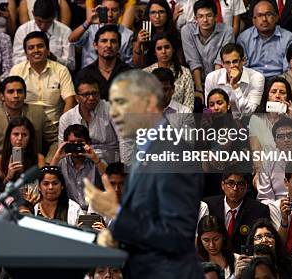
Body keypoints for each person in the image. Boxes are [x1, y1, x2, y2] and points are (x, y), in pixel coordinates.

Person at [84, 70, 204, 278]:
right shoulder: (144, 150)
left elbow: (175, 237)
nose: (113, 113)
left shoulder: (175, 152)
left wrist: (116, 211)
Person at [0, 76, 58, 162]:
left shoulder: (38, 113)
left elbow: (55, 140)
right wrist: (0, 165)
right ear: (2, 97)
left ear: (25, 95)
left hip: (35, 166)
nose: (16, 96)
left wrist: (48, 162)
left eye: (19, 91)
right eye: (11, 92)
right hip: (2, 169)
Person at [9, 31, 76, 124]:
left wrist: (63, 126)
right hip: (25, 125)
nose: (36, 50)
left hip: (54, 124)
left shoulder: (61, 70)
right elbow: (10, 99)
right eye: (31, 48)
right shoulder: (17, 71)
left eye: (40, 46)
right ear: (26, 53)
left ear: (48, 50)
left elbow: (70, 100)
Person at [58, 76, 123, 164]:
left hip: (110, 165)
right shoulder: (67, 118)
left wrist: (125, 168)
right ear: (77, 98)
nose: (91, 98)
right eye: (86, 94)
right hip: (80, 164)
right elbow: (63, 149)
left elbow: (125, 140)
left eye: (95, 93)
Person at [180, 0, 234, 104]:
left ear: (215, 17)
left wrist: (213, 90)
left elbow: (220, 62)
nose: (205, 20)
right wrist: (199, 89)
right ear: (195, 18)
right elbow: (193, 61)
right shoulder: (187, 31)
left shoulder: (227, 31)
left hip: (219, 80)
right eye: (200, 16)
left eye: (209, 15)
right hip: (196, 81)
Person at [204, 171, 270, 254]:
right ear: (222, 185)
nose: (235, 188)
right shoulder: (209, 205)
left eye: (240, 184)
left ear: (246, 187)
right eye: (230, 183)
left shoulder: (259, 210)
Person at [50, 124, 106, 210]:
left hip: (94, 210)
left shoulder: (97, 160)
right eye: (72, 143)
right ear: (65, 144)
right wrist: (56, 157)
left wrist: (96, 159)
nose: (76, 146)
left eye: (80, 143)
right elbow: (48, 178)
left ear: (88, 143)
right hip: (69, 211)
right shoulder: (61, 162)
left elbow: (109, 181)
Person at [71, 0, 134, 69]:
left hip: (116, 75)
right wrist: (88, 22)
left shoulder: (128, 34)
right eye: (106, 10)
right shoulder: (90, 28)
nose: (110, 14)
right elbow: (71, 39)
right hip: (89, 75)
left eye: (114, 10)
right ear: (100, 11)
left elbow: (129, 64)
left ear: (121, 12)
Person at [237, 0, 292, 79]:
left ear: (276, 18)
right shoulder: (244, 38)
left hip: (280, 80)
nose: (264, 19)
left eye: (268, 14)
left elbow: (289, 70)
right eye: (260, 15)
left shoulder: (288, 38)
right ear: (254, 21)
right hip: (252, 81)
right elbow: (243, 68)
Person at [13, 0, 74, 70]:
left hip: (57, 73)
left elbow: (71, 65)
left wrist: (55, 59)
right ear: (33, 14)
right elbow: (16, 61)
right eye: (39, 21)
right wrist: (35, 59)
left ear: (54, 15)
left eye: (48, 22)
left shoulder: (65, 31)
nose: (43, 26)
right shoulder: (23, 30)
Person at [205, 42, 265, 116]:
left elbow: (249, 112)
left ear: (243, 61)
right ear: (222, 64)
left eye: (235, 61)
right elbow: (209, 108)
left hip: (246, 121)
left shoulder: (257, 78)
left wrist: (235, 86)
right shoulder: (211, 78)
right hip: (219, 119)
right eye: (227, 63)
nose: (232, 66)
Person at [76, 24, 133, 100]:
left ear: (119, 46)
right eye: (104, 41)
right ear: (95, 45)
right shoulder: (85, 74)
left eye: (113, 41)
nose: (109, 45)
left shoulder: (130, 73)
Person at [143, 33, 195, 111]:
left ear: (173, 49)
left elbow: (189, 104)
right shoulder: (145, 73)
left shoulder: (185, 73)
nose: (163, 51)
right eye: (159, 48)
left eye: (167, 47)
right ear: (154, 52)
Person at [0, 116, 46, 182]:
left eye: (24, 135)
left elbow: (43, 184)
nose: (20, 138)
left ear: (30, 137)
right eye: (16, 134)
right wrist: (9, 176)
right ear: (9, 136)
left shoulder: (39, 158)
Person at [133, 0, 176, 66]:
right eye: (153, 12)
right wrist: (138, 44)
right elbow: (137, 65)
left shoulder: (174, 33)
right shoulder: (142, 32)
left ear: (167, 14)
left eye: (161, 12)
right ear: (148, 15)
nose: (157, 16)